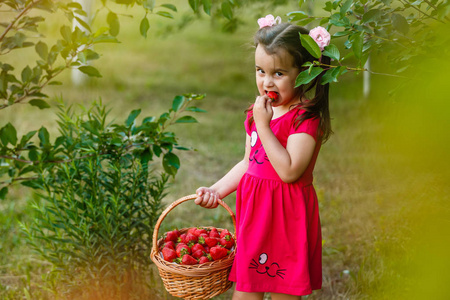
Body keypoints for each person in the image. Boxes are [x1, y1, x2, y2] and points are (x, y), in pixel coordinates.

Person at [195, 14, 332, 300]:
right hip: (255, 218)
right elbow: (248, 164)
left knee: (284, 291)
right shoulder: (257, 114)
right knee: (245, 293)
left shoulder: (305, 118)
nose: (267, 82)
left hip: (287, 220)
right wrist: (216, 190)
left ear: (304, 73)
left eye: (278, 73)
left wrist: (263, 125)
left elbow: (290, 171)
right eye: (260, 71)